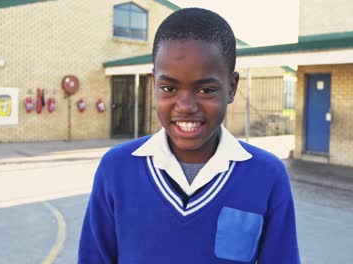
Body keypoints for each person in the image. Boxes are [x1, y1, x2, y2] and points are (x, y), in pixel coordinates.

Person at [78, 7, 300, 264]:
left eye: (205, 90)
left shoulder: (266, 176)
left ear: (231, 87)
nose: (185, 105)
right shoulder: (117, 168)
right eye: (169, 88)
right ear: (154, 84)